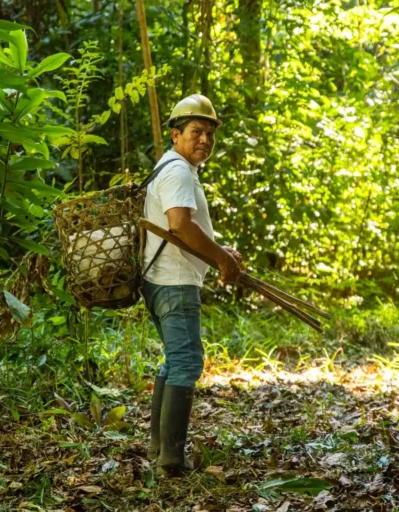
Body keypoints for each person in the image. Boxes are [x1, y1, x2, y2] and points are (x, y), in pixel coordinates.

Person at [141, 94, 243, 475]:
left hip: (164, 280)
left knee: (174, 362)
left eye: (210, 134)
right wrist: (219, 258)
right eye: (196, 132)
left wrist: (221, 250)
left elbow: (186, 227)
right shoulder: (178, 171)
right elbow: (180, 225)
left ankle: (159, 450)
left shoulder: (173, 168)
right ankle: (170, 460)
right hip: (175, 283)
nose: (205, 140)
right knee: (186, 363)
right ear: (175, 134)